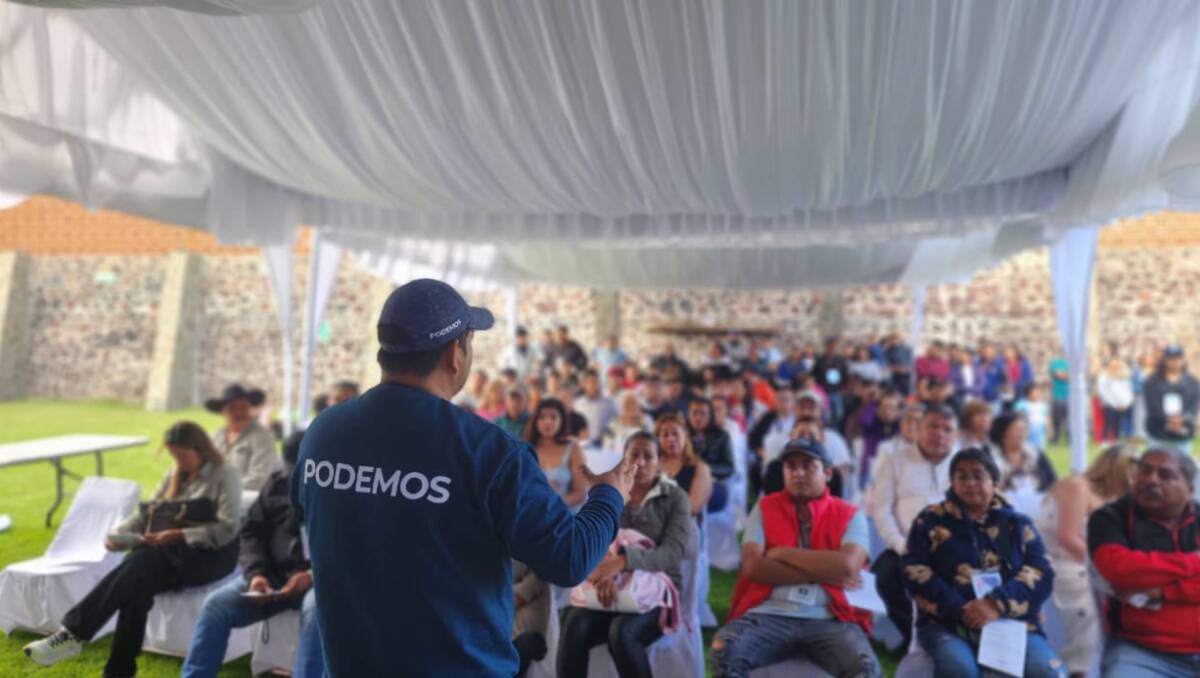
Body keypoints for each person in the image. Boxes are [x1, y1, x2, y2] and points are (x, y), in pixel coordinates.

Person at [290, 279, 638, 677]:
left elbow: (311, 515)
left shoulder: (322, 434)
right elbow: (570, 558)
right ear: (455, 353)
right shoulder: (490, 453)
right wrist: (609, 495)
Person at [24, 422, 241, 675]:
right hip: (168, 553)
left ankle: (72, 635)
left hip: (211, 555)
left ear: (200, 448)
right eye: (173, 455)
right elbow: (147, 513)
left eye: (183, 455)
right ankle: (117, 670)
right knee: (137, 582)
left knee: (140, 564)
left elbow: (229, 528)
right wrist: (118, 533)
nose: (178, 461)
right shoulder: (175, 474)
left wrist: (178, 533)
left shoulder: (226, 474)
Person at [711, 437, 880, 678]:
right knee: (723, 650)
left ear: (828, 473)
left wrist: (782, 553)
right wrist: (825, 570)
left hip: (829, 618)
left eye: (808, 465)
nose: (798, 473)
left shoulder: (850, 514)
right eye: (790, 466)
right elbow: (752, 567)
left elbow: (847, 567)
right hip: (768, 614)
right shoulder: (764, 508)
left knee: (866, 670)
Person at [901, 447, 1064, 678]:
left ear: (995, 482)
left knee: (1046, 672)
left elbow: (1041, 572)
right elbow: (913, 570)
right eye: (962, 476)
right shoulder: (929, 520)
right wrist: (961, 609)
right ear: (952, 483)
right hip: (948, 624)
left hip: (1012, 623)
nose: (970, 483)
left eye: (978, 476)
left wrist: (995, 604)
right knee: (960, 670)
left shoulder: (1016, 524)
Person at [181, 431, 323, 678]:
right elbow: (251, 533)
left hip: (320, 583)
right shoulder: (277, 484)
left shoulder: (342, 495)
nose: (296, 476)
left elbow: (352, 551)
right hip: (273, 578)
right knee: (216, 606)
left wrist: (312, 575)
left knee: (318, 610)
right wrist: (256, 574)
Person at [558, 432, 695, 678]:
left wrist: (622, 563)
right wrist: (606, 574)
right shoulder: (612, 494)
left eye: (648, 456)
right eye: (634, 455)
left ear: (660, 461)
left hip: (657, 593)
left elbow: (671, 553)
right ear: (624, 459)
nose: (640, 462)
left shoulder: (675, 498)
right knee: (574, 625)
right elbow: (596, 540)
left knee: (622, 632)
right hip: (609, 587)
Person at [1089, 448, 1199, 678]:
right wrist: (1194, 562)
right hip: (1141, 651)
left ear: (1189, 489)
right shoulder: (1110, 518)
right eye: (1144, 470)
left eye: (1166, 475)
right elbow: (1119, 570)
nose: (1151, 480)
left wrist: (1162, 592)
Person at [1035, 445, 1136, 678]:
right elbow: (1067, 538)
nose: (1134, 481)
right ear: (1116, 469)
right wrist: (1105, 567)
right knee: (1087, 605)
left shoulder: (1112, 498)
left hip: (1087, 562)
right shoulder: (1078, 486)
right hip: (1060, 561)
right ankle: (1075, 669)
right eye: (1131, 473)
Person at [867, 403, 957, 653]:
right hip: (906, 545)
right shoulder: (896, 461)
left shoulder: (964, 462)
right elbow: (881, 509)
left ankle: (951, 635)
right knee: (880, 579)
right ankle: (913, 633)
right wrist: (899, 545)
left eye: (947, 429)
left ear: (955, 435)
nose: (939, 434)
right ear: (919, 429)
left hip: (954, 548)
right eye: (933, 426)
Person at [206, 383, 278, 492]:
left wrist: (224, 489)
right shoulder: (215, 437)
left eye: (243, 407)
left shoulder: (262, 436)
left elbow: (259, 478)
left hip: (248, 497)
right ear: (223, 412)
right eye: (232, 408)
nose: (238, 412)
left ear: (249, 408)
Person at [525, 398, 589, 507]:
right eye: (542, 417)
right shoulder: (526, 449)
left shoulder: (573, 448)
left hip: (564, 516)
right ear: (535, 421)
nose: (547, 422)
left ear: (562, 420)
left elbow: (580, 493)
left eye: (553, 417)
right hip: (531, 514)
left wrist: (552, 506)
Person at [1142, 345, 1200, 453]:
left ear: (1183, 360)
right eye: (1171, 359)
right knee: (1155, 465)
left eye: (1177, 358)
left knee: (1181, 467)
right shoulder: (1152, 382)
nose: (1174, 362)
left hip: (1182, 433)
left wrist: (1182, 419)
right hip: (1158, 433)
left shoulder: (1192, 382)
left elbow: (1194, 406)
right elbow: (1152, 405)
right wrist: (1168, 420)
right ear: (1164, 360)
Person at [655, 413, 713, 516]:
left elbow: (693, 507)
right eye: (665, 435)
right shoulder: (652, 467)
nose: (670, 439)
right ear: (658, 439)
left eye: (675, 434)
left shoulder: (700, 468)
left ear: (685, 435)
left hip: (683, 526)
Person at [686, 398, 735, 513]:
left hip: (712, 482)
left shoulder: (722, 436)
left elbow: (729, 468)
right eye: (694, 413)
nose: (698, 418)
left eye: (703, 414)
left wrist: (703, 470)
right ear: (688, 414)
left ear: (710, 416)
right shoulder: (681, 433)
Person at [988, 413, 1057, 494]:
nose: (1022, 433)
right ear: (1003, 433)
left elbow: (1052, 482)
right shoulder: (989, 457)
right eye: (1016, 429)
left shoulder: (1036, 455)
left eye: (1024, 429)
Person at [748, 389, 797, 498]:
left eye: (785, 400)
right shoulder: (768, 418)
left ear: (793, 402)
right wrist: (761, 452)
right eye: (779, 399)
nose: (781, 403)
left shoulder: (798, 421)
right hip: (769, 466)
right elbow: (754, 438)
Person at [512, 558, 549, 678]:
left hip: (530, 638)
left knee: (520, 648)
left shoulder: (541, 574)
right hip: (511, 635)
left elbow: (511, 602)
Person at [575, 368, 619, 447]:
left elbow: (616, 423)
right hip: (583, 445)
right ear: (584, 384)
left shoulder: (608, 403)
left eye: (596, 382)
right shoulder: (578, 404)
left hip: (603, 444)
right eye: (590, 382)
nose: (593, 385)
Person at [1097, 355, 1135, 442]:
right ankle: (1105, 440)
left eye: (1116, 365)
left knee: (1118, 424)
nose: (1115, 367)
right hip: (1109, 404)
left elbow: (1128, 390)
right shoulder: (1103, 377)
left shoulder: (1122, 377)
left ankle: (1117, 440)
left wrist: (1125, 403)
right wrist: (1114, 404)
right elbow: (1103, 392)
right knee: (1108, 422)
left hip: (1122, 404)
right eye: (1112, 365)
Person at [814, 338, 849, 427]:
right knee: (824, 415)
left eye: (833, 346)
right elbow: (814, 375)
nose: (831, 348)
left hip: (837, 391)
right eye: (829, 346)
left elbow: (845, 374)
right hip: (823, 392)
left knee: (838, 415)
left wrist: (844, 389)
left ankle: (836, 432)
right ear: (826, 347)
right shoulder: (820, 360)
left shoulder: (840, 360)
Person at [1015, 383, 1050, 451]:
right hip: (1026, 431)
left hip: (1039, 431)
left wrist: (1049, 428)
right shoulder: (1021, 405)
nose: (1037, 394)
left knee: (1039, 449)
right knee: (1027, 449)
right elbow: (1017, 418)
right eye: (1034, 392)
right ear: (1028, 393)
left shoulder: (1042, 405)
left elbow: (1046, 417)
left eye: (1038, 392)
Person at [1048, 355, 1070, 445]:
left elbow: (1074, 376)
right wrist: (1066, 375)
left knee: (1069, 421)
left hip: (1069, 397)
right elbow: (1056, 374)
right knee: (1056, 421)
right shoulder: (1054, 363)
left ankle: (1070, 441)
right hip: (1056, 396)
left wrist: (1064, 375)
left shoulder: (1072, 363)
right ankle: (1055, 441)